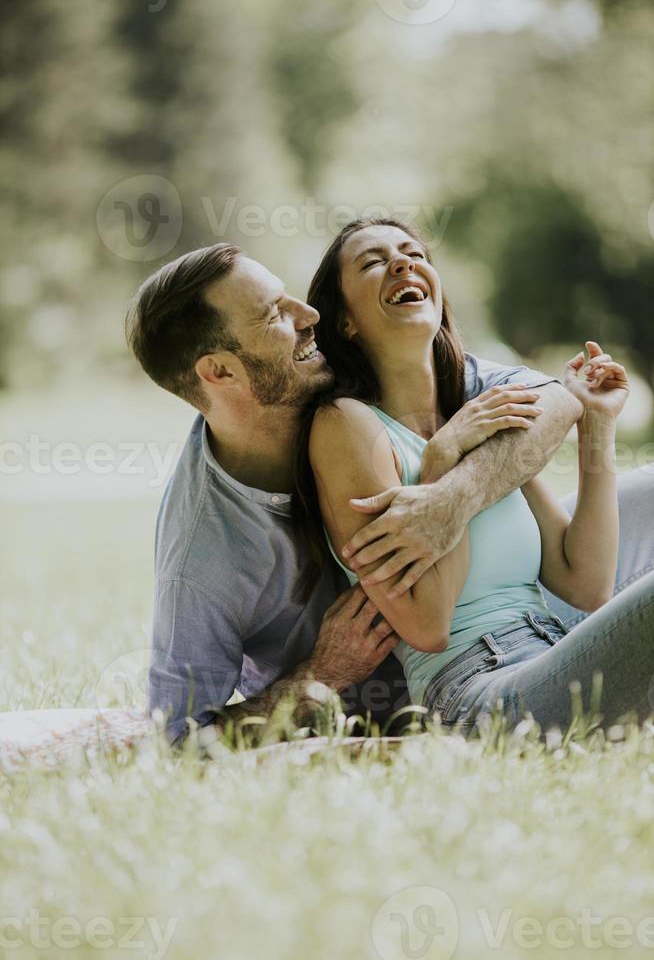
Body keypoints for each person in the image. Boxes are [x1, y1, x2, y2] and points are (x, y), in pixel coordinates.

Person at [125, 240, 648, 746]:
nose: (308, 316)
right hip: (462, 686)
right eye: (273, 315)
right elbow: (179, 739)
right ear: (219, 371)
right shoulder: (206, 550)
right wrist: (320, 674)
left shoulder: (451, 389)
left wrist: (454, 495)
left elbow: (554, 404)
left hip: (542, 636)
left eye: (416, 254)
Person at [298, 217, 654, 734]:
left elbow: (586, 583)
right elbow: (428, 625)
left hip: (552, 652)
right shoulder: (344, 425)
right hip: (475, 693)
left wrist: (596, 424)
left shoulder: (482, 416)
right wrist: (441, 460)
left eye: (413, 253)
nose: (402, 263)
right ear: (346, 322)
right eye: (374, 262)